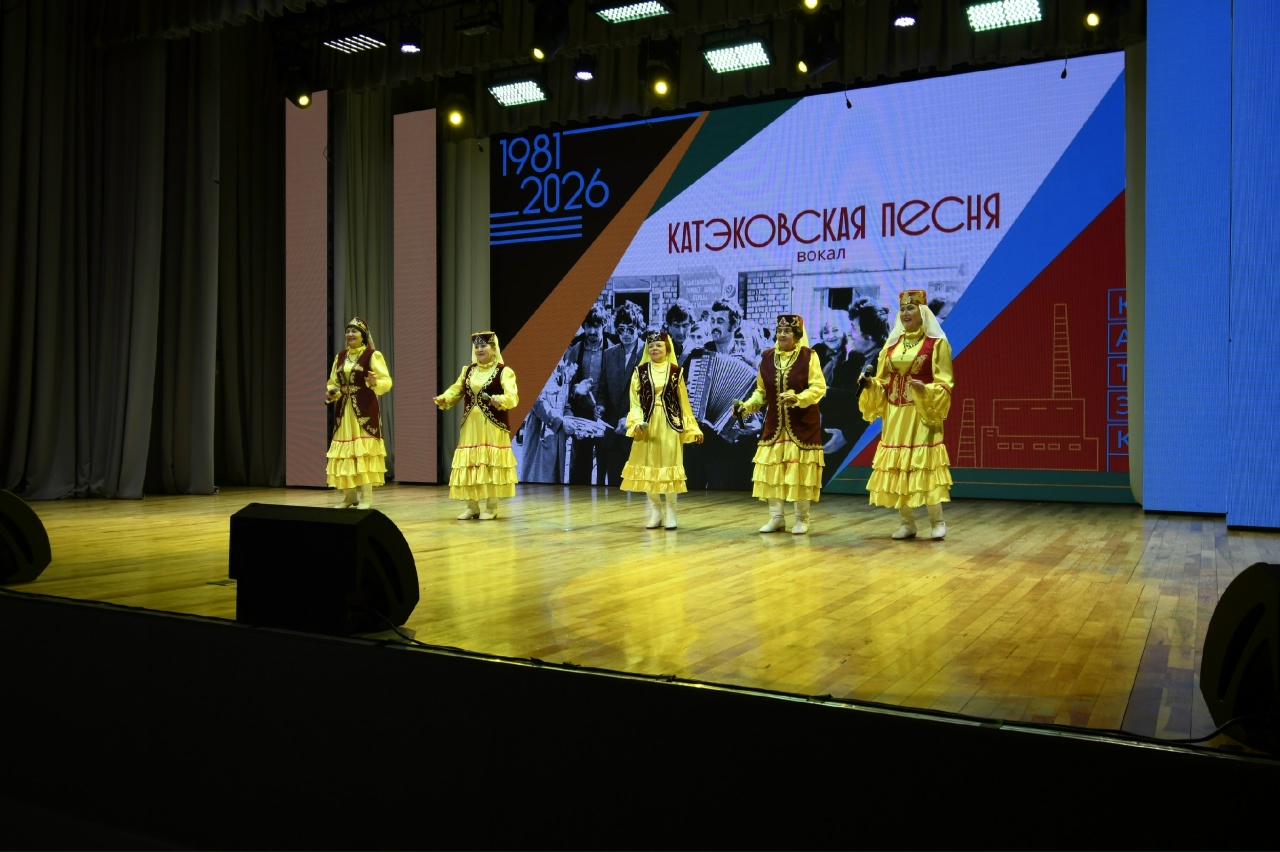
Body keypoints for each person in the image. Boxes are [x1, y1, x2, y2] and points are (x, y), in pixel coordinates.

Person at [858, 289, 954, 540]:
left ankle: (937, 521)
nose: (905, 313)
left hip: (922, 411)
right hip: (895, 413)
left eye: (910, 308)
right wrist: (870, 384)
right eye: (902, 309)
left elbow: (945, 383)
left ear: (923, 312)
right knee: (899, 465)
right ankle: (907, 522)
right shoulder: (892, 346)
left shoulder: (937, 344)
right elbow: (884, 381)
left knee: (925, 464)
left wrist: (926, 389)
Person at [733, 314, 826, 534]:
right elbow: (761, 392)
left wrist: (798, 398)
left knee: (800, 472)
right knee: (771, 471)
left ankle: (802, 519)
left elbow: (818, 387)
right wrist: (746, 406)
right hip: (775, 426)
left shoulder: (809, 356)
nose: (782, 335)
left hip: (802, 425)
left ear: (797, 335)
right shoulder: (767, 357)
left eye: (787, 331)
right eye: (779, 331)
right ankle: (776, 518)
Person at [620, 331, 703, 529]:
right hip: (647, 427)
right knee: (649, 468)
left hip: (670, 424)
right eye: (651, 346)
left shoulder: (676, 372)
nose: (654, 349)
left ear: (667, 349)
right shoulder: (639, 372)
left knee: (669, 466)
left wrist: (693, 428)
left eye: (659, 345)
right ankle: (656, 511)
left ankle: (671, 511)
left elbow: (683, 403)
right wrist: (637, 421)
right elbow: (635, 401)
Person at [434, 332, 519, 520]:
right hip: (471, 425)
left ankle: (491, 507)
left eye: (483, 346)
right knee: (469, 464)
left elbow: (513, 397)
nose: (479, 349)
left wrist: (500, 399)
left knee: (491, 464)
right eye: (477, 347)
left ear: (493, 349)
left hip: (493, 425)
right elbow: (457, 389)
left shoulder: (504, 371)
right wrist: (445, 398)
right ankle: (472, 506)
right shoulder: (468, 370)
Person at [326, 317, 393, 510]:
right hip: (344, 411)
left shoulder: (372, 355)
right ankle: (350, 496)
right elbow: (333, 382)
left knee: (364, 452)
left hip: (364, 411)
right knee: (345, 454)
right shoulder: (340, 357)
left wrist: (374, 383)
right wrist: (332, 391)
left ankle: (367, 497)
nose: (350, 334)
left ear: (363, 335)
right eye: (348, 331)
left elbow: (387, 382)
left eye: (354, 331)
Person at [596, 301, 647, 486]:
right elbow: (602, 389)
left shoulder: (649, 354)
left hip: (639, 437)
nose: (625, 334)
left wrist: (629, 419)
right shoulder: (609, 354)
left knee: (639, 492)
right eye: (621, 329)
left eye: (630, 329)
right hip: (613, 436)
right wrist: (600, 406)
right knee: (614, 491)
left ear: (639, 328)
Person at [566, 306, 611, 484]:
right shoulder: (575, 350)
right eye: (588, 326)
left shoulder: (612, 348)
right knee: (579, 467)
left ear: (604, 325)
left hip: (604, 415)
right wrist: (576, 389)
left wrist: (604, 406)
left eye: (596, 326)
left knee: (605, 468)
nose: (592, 331)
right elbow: (566, 387)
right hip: (581, 417)